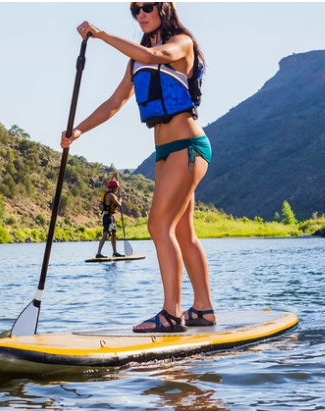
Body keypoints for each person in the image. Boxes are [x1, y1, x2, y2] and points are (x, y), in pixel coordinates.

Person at [61, 2, 215, 333]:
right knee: (182, 230)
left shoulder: (181, 42)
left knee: (159, 225)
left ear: (164, 9)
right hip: (164, 152)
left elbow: (156, 57)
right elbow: (115, 103)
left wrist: (101, 36)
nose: (140, 14)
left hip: (188, 147)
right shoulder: (136, 58)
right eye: (135, 10)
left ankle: (171, 314)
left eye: (146, 7)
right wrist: (79, 130)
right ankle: (203, 309)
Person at [96, 173, 124, 258]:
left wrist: (113, 177)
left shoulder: (106, 192)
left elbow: (109, 184)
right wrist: (120, 200)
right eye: (116, 188)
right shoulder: (111, 195)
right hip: (108, 218)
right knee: (106, 234)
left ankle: (115, 252)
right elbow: (119, 205)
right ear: (112, 188)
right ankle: (98, 253)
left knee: (114, 234)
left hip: (109, 217)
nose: (116, 189)